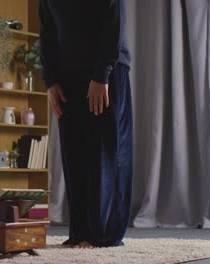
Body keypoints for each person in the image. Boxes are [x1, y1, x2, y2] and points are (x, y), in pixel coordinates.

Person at [39, 0, 133, 248]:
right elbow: (47, 33)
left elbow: (115, 23)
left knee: (103, 153)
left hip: (106, 73)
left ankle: (102, 235)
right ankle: (80, 232)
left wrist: (101, 75)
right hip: (66, 76)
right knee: (74, 155)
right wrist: (50, 81)